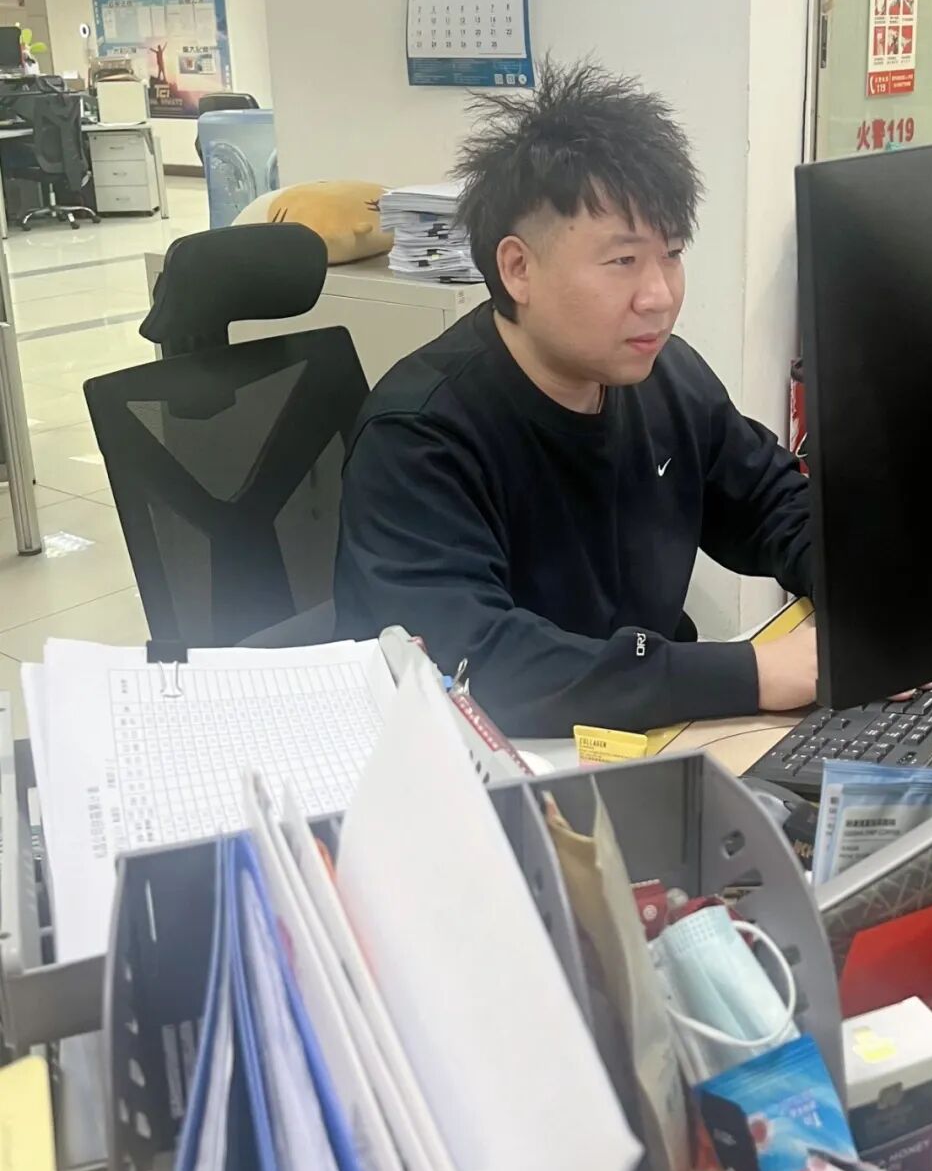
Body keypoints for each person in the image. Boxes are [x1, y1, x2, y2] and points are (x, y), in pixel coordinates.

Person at [335, 59, 816, 737]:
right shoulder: (418, 436)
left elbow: (772, 502)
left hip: (642, 733)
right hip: (500, 760)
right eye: (623, 261)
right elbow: (476, 664)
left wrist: (867, 585)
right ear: (518, 268)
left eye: (672, 254)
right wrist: (756, 673)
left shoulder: (666, 376)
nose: (660, 296)